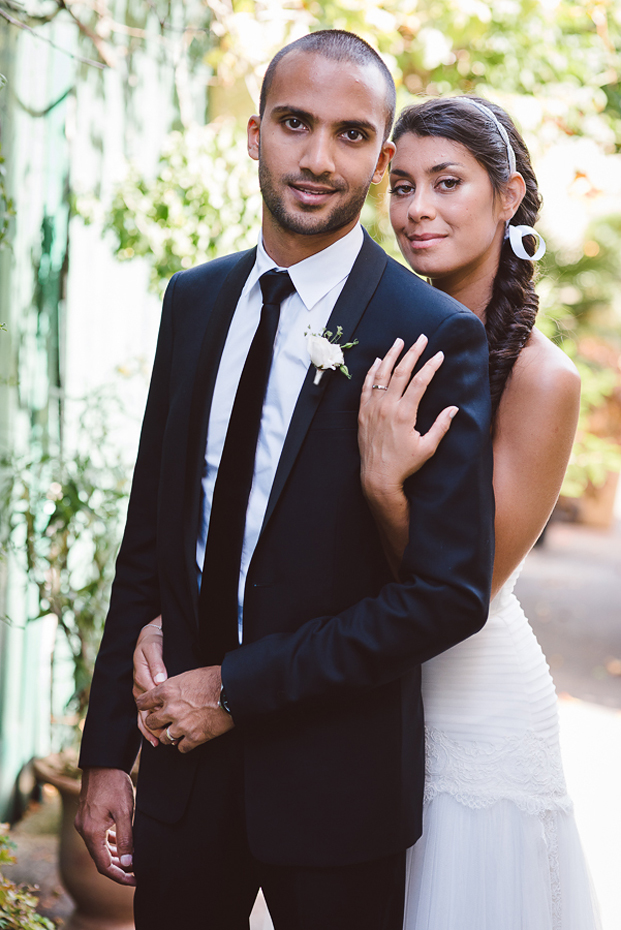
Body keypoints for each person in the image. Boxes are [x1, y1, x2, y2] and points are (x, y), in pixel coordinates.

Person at [75, 32, 495, 930]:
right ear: (255, 130)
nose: (315, 158)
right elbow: (149, 535)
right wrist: (106, 751)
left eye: (349, 135)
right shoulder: (193, 300)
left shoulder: (428, 334)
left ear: (382, 159)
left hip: (335, 791)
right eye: (295, 124)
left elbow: (447, 596)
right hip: (181, 775)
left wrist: (233, 687)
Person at [357, 98, 600, 929]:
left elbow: (464, 591)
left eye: (446, 183)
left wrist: (385, 490)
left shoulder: (542, 378)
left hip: (471, 716)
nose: (416, 209)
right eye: (400, 186)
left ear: (507, 197)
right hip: (358, 697)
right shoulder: (376, 341)